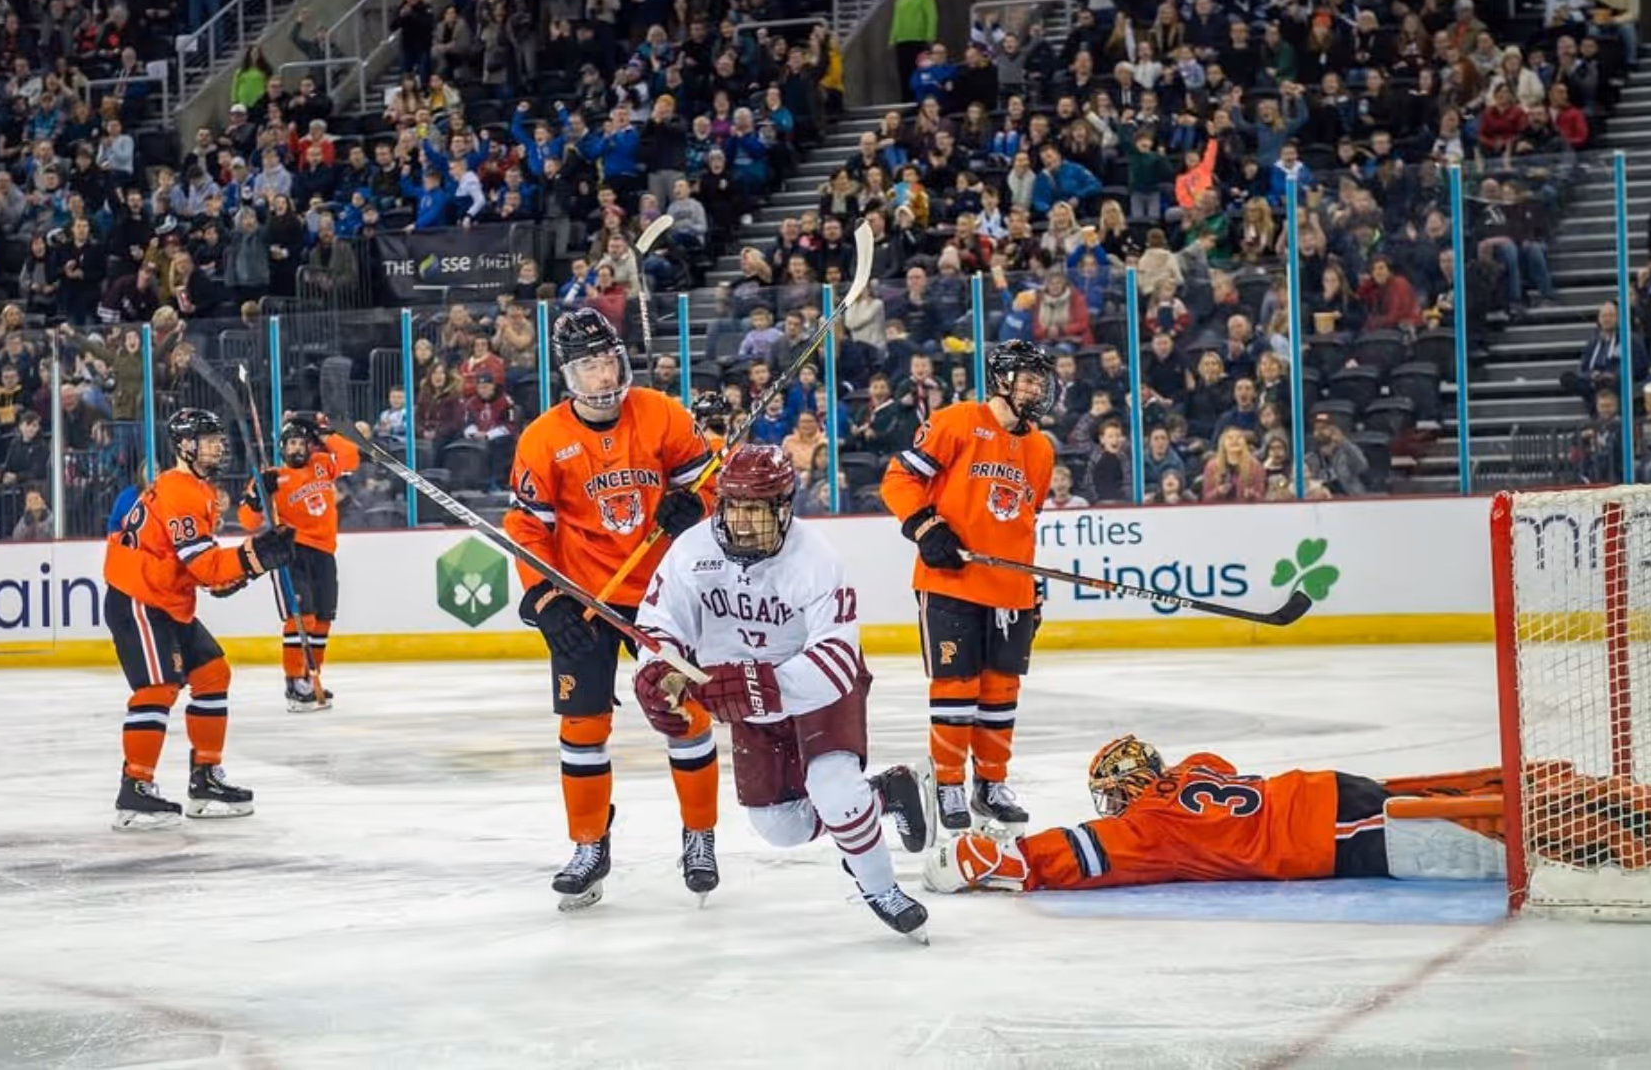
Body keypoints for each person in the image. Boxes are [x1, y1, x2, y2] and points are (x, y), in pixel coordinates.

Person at [632, 445, 934, 939]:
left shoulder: (814, 559)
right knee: (781, 827)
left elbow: (837, 660)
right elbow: (660, 627)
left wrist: (756, 687)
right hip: (747, 691)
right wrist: (657, 674)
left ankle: (882, 888)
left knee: (834, 791)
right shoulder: (690, 551)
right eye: (734, 507)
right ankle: (887, 794)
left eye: (756, 509)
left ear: (783, 507)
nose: (744, 522)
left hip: (817, 688)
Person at [501, 308, 717, 909]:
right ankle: (589, 844)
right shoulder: (543, 438)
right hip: (585, 596)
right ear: (568, 375)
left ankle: (700, 836)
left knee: (684, 715)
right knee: (583, 728)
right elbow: (527, 527)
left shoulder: (662, 414)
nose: (602, 376)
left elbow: (709, 483)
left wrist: (691, 506)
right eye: (588, 365)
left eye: (608, 361)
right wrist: (545, 599)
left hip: (662, 596)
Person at [922, 735, 1517, 893]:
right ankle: (1563, 803)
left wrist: (1003, 859)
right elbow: (1221, 777)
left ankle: (1580, 841)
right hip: (1330, 787)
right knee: (1464, 802)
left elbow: (1082, 852)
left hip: (1329, 837)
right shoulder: (1199, 764)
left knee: (1490, 851)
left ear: (1127, 789)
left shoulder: (1149, 826)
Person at [879, 339, 1056, 834]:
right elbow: (898, 479)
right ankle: (950, 784)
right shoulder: (957, 421)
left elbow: (1024, 519)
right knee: (957, 689)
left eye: (1040, 377)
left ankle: (991, 784)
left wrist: (1032, 586)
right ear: (1001, 379)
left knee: (1001, 691)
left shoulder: (1041, 449)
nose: (1037, 386)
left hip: (1012, 590)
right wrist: (925, 527)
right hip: (952, 581)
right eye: (1027, 375)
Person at [101, 409, 296, 831]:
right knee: (157, 688)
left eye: (217, 439)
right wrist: (256, 555)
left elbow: (210, 577)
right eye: (207, 440)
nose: (217, 446)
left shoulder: (197, 490)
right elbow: (208, 568)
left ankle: (205, 779)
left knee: (211, 673)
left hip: (168, 597)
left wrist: (254, 561)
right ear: (184, 446)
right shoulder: (180, 490)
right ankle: (134, 791)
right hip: (139, 597)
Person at [236, 411, 360, 711]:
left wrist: (322, 433)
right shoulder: (272, 478)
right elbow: (247, 522)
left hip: (325, 553)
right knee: (301, 618)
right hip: (293, 553)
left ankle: (311, 676)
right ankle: (294, 682)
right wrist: (257, 496)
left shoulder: (321, 465)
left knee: (323, 620)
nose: (296, 448)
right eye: (290, 443)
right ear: (282, 448)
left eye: (301, 443)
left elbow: (351, 458)